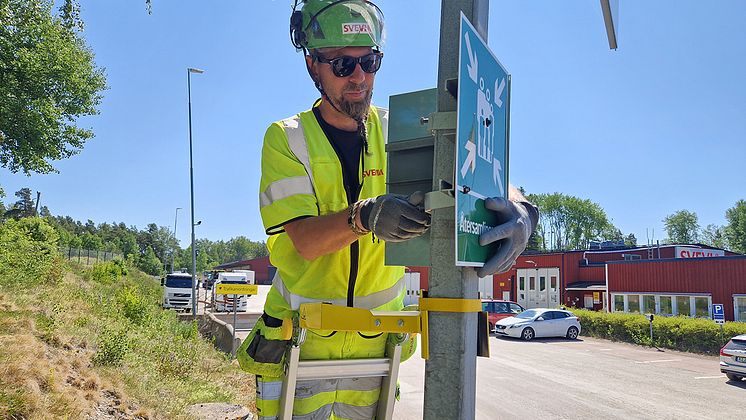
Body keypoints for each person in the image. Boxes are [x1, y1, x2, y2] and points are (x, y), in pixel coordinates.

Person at [238, 1, 538, 419]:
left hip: (375, 349)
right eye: (343, 65)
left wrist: (521, 206)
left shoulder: (400, 125)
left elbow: (472, 159)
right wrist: (364, 217)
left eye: (370, 62)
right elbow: (304, 240)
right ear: (313, 66)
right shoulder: (287, 139)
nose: (360, 77)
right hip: (299, 346)